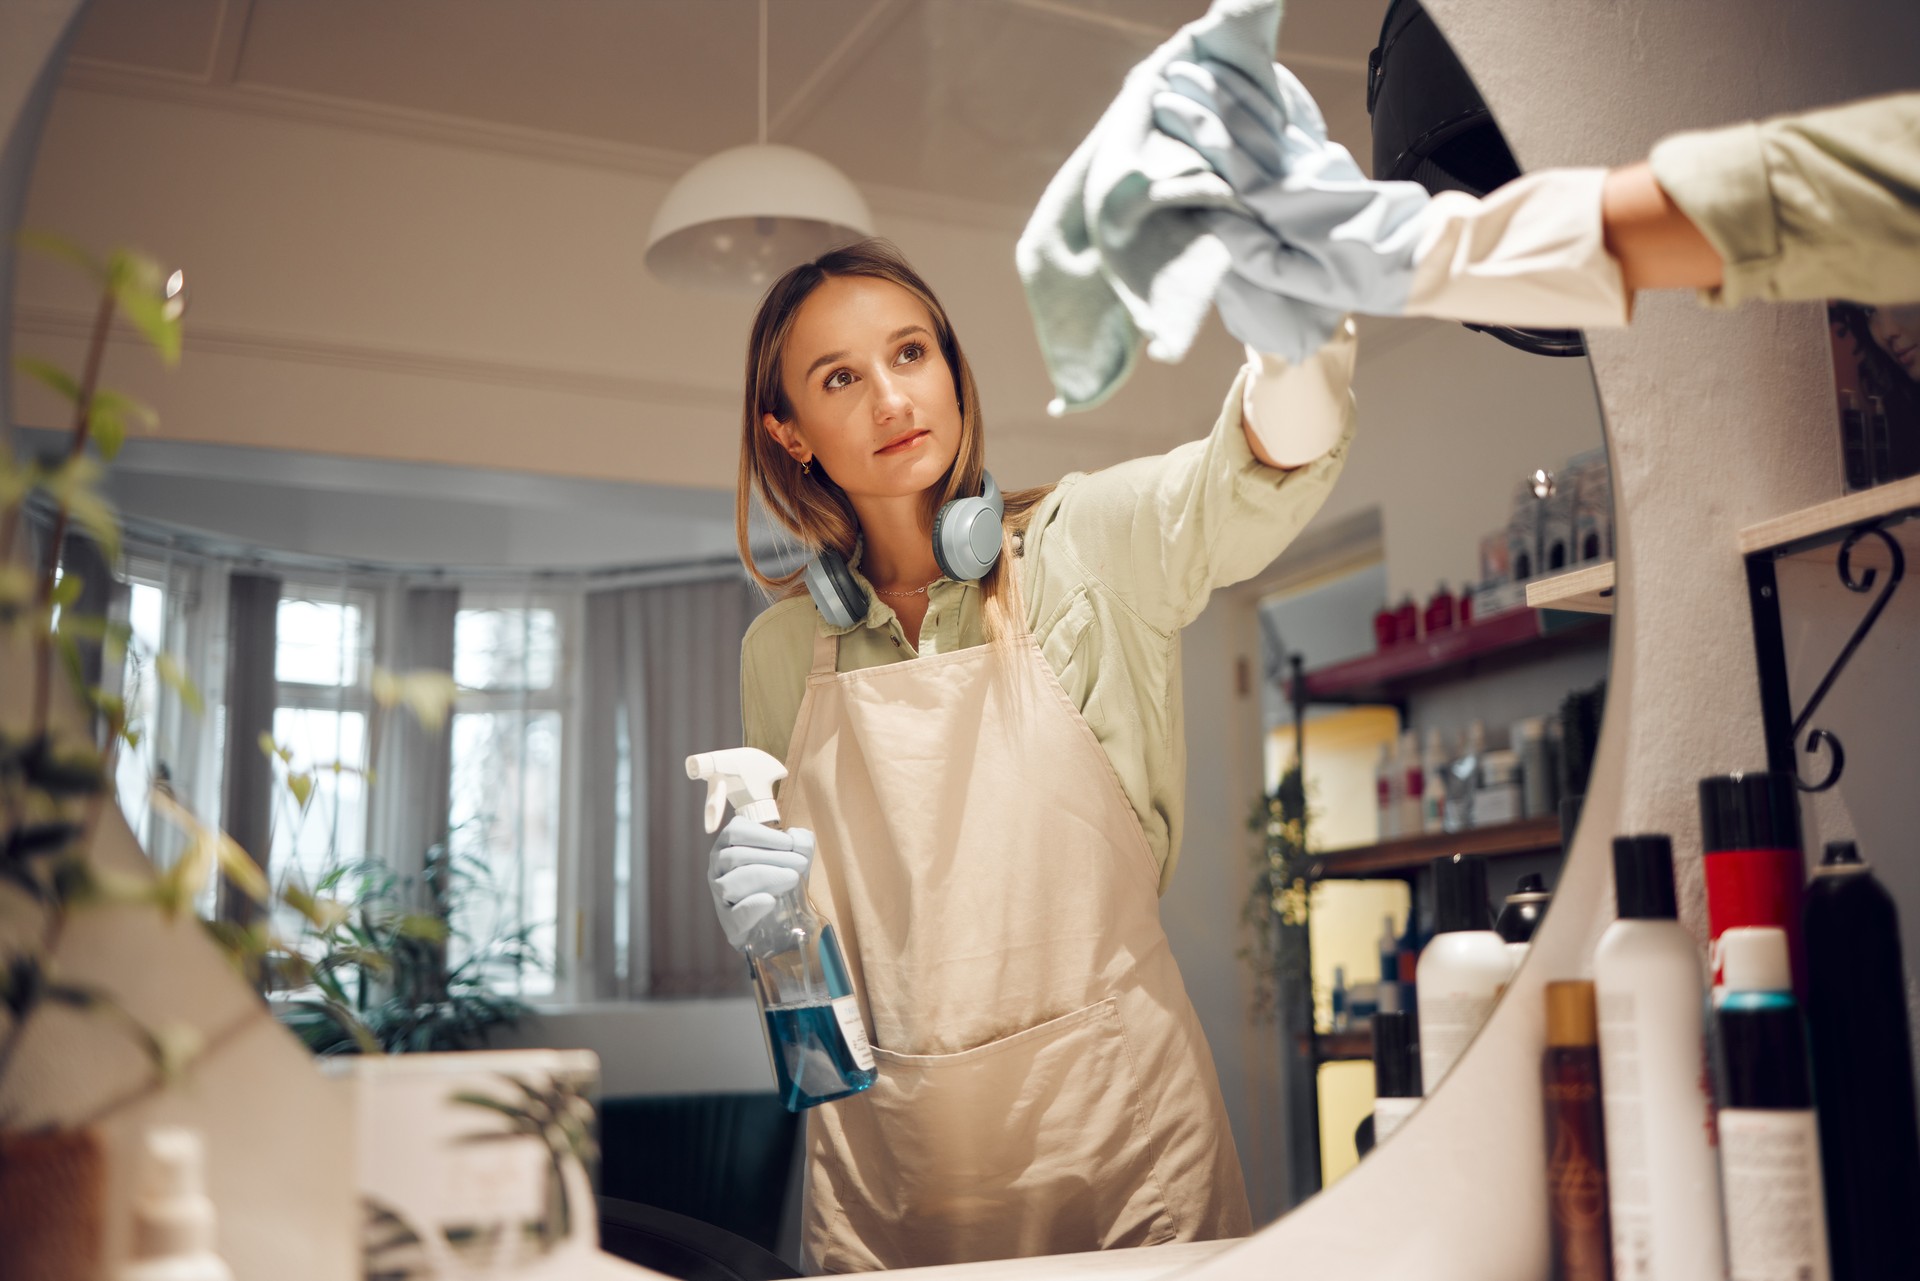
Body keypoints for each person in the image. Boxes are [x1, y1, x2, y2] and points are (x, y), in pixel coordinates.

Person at [711, 239, 1352, 1273]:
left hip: (1122, 1140)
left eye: (911, 353)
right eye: (840, 378)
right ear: (789, 434)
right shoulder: (781, 653)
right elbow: (807, 1009)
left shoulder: (1080, 551)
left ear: (952, 372)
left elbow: (1246, 475)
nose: (890, 397)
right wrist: (766, 934)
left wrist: (1302, 340)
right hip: (894, 1173)